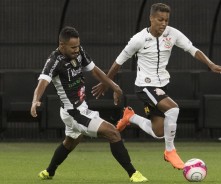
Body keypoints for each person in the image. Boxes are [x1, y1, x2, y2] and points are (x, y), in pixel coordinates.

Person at [92, 3, 221, 170]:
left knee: (159, 132)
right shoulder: (138, 39)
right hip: (145, 86)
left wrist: (211, 64)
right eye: (160, 20)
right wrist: (107, 83)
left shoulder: (173, 34)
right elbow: (118, 63)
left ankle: (130, 117)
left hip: (162, 86)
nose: (164, 23)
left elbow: (192, 49)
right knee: (173, 109)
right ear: (151, 18)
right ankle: (170, 151)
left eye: (166, 20)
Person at [30, 26, 148, 182]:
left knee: (70, 142)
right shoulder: (54, 61)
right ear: (61, 45)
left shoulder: (79, 53)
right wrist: (35, 100)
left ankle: (49, 172)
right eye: (72, 47)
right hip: (74, 112)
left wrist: (114, 86)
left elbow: (95, 71)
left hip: (77, 108)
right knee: (113, 133)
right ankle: (133, 173)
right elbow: (43, 82)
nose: (76, 50)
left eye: (78, 46)